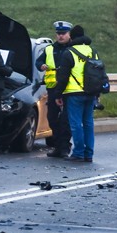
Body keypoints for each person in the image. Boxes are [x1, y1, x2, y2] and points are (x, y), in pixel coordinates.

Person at [54, 25, 99, 162]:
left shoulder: (69, 52)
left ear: (72, 37)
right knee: (88, 123)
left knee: (75, 124)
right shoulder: (92, 51)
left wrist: (58, 94)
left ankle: (78, 153)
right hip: (91, 92)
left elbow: (63, 77)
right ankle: (89, 154)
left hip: (74, 93)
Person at [35, 20, 73, 158]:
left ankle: (64, 147)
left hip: (69, 89)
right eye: (58, 34)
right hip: (53, 88)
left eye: (63, 33)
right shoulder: (50, 49)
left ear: (69, 34)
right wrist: (41, 66)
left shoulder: (73, 48)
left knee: (66, 120)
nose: (60, 36)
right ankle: (58, 146)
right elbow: (38, 61)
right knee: (51, 118)